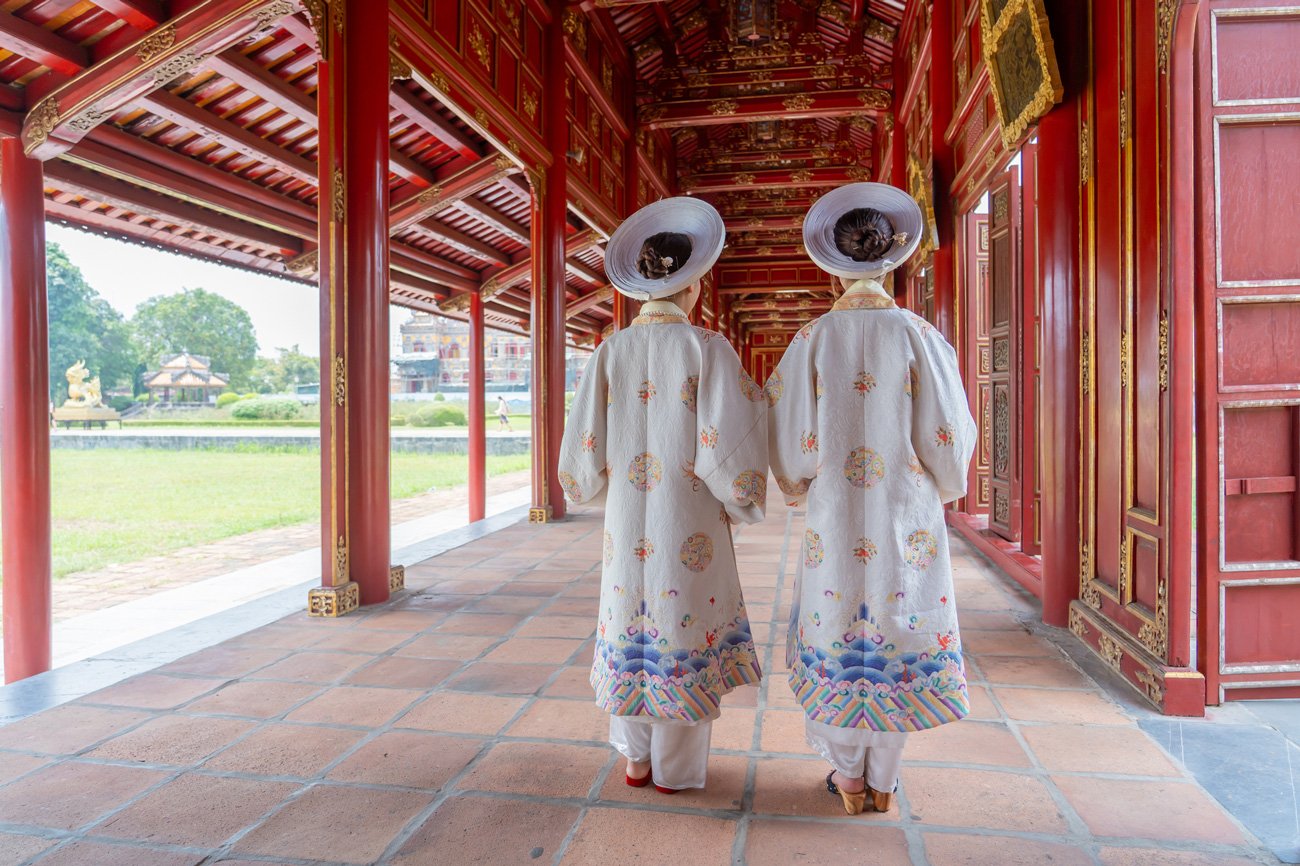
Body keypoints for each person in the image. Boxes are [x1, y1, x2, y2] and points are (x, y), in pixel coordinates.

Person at [767, 182, 976, 815]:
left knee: (837, 625)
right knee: (898, 626)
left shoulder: (812, 339)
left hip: (835, 516)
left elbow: (791, 438)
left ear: (832, 270)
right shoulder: (921, 336)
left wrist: (801, 480)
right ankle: (883, 781)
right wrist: (943, 483)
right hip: (903, 516)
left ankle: (848, 778)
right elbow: (950, 434)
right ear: (893, 261)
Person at [559, 196, 768, 794]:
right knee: (684, 623)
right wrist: (740, 496)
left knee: (631, 617)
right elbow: (730, 442)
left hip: (628, 521)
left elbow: (581, 451)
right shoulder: (708, 348)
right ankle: (677, 770)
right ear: (693, 284)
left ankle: (635, 757)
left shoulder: (609, 351)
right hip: (690, 520)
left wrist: (593, 485)